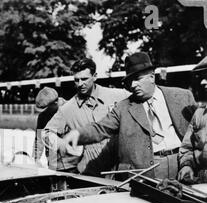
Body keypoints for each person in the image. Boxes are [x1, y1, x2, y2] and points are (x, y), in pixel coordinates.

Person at [65, 52, 196, 180]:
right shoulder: (123, 108)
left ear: (152, 77)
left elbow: (200, 131)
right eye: (130, 81)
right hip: (146, 174)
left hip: (182, 166)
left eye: (138, 79)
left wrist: (191, 164)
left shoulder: (182, 97)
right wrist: (77, 134)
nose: (133, 85)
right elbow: (100, 128)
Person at [42, 58, 129, 174]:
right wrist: (60, 143)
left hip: (119, 168)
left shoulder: (117, 95)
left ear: (95, 76)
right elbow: (46, 133)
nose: (80, 84)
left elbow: (140, 105)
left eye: (84, 79)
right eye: (76, 80)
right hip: (90, 173)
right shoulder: (67, 109)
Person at [178, 56, 207, 183]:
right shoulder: (200, 113)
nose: (203, 82)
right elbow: (187, 147)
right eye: (203, 76)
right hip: (202, 180)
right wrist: (187, 165)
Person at [32, 87, 66, 168]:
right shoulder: (43, 116)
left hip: (72, 163)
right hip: (52, 161)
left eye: (46, 109)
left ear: (55, 102)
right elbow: (39, 139)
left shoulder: (70, 109)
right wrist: (36, 158)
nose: (44, 113)